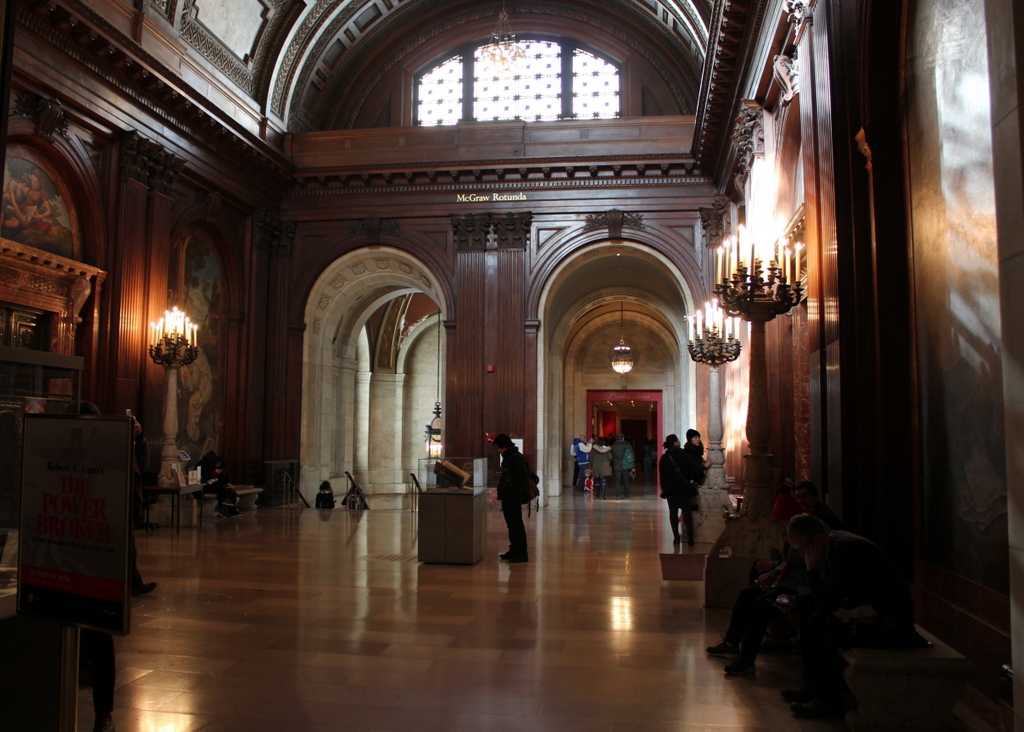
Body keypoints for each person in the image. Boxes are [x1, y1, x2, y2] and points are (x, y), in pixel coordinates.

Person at [777, 514, 925, 718]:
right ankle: (814, 687)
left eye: (802, 549)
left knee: (822, 624)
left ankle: (829, 702)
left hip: (890, 622)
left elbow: (826, 604)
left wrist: (811, 570)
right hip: (868, 611)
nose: (802, 556)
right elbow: (830, 593)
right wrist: (797, 601)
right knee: (812, 618)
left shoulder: (844, 550)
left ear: (817, 539)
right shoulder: (835, 544)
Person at [495, 433, 530, 563]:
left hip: (513, 496)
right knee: (512, 525)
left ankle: (520, 552)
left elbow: (521, 477)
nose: (498, 451)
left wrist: (509, 488)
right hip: (508, 496)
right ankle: (514, 549)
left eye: (499, 448)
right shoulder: (510, 457)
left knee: (516, 525)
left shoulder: (515, 458)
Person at [659, 434, 698, 545]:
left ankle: (676, 537)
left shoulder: (665, 457)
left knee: (673, 512)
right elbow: (694, 469)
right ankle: (690, 538)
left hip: (670, 489)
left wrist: (664, 488)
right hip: (683, 488)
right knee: (686, 512)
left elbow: (662, 475)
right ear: (676, 442)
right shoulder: (684, 455)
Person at [197, 451, 240, 517]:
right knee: (222, 489)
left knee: (230, 492)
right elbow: (204, 477)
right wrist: (214, 473)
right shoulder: (204, 465)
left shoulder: (221, 469)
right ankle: (224, 508)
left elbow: (226, 479)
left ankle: (232, 509)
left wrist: (228, 484)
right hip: (205, 486)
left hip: (217, 486)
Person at [610, 434, 633, 499]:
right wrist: (632, 466)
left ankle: (618, 495)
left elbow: (611, 456)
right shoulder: (627, 445)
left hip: (617, 464)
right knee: (626, 480)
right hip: (625, 464)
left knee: (617, 481)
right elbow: (631, 456)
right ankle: (626, 495)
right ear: (623, 438)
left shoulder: (614, 446)